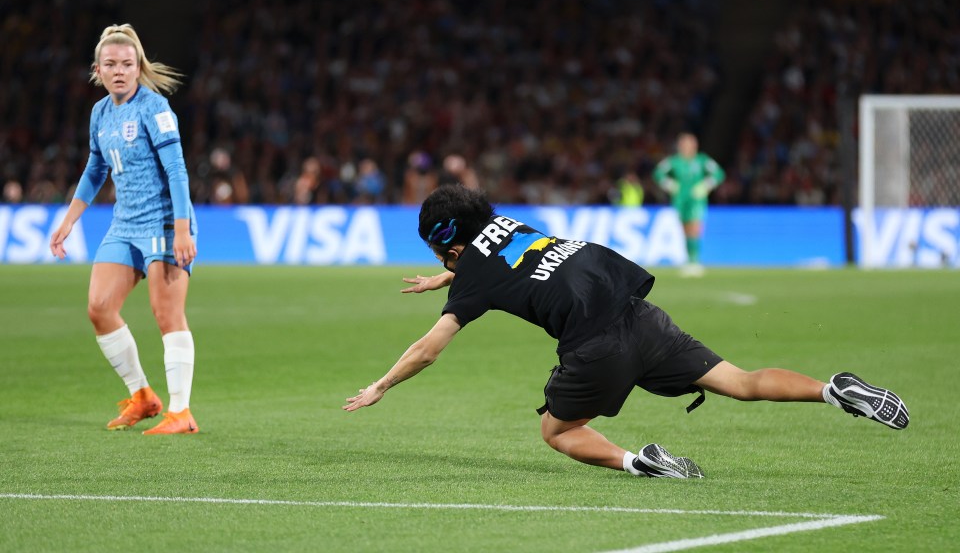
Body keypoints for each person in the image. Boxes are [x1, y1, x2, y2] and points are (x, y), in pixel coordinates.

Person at [344, 184, 908, 478]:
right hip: (639, 312)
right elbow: (498, 261)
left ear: (450, 242)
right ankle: (833, 390)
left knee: (558, 431)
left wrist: (382, 385)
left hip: (595, 345)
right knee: (739, 379)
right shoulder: (509, 224)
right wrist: (448, 278)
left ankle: (639, 461)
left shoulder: (470, 273)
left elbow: (428, 349)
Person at [49, 24, 200, 435]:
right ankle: (143, 396)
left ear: (138, 68)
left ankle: (181, 412)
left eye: (127, 64)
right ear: (97, 69)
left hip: (164, 222)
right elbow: (95, 169)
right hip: (125, 223)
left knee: (166, 313)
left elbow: (177, 170)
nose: (119, 71)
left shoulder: (154, 108)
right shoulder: (100, 112)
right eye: (111, 64)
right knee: (99, 307)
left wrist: (182, 229)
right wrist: (68, 220)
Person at [653, 132, 725, 276]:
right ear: (679, 146)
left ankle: (694, 261)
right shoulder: (674, 161)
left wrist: (705, 185)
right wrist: (670, 184)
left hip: (696, 199)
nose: (687, 147)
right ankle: (689, 261)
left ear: (695, 146)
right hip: (680, 200)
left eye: (689, 144)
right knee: (685, 230)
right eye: (684, 144)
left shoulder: (702, 160)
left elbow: (718, 173)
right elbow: (658, 173)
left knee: (695, 227)